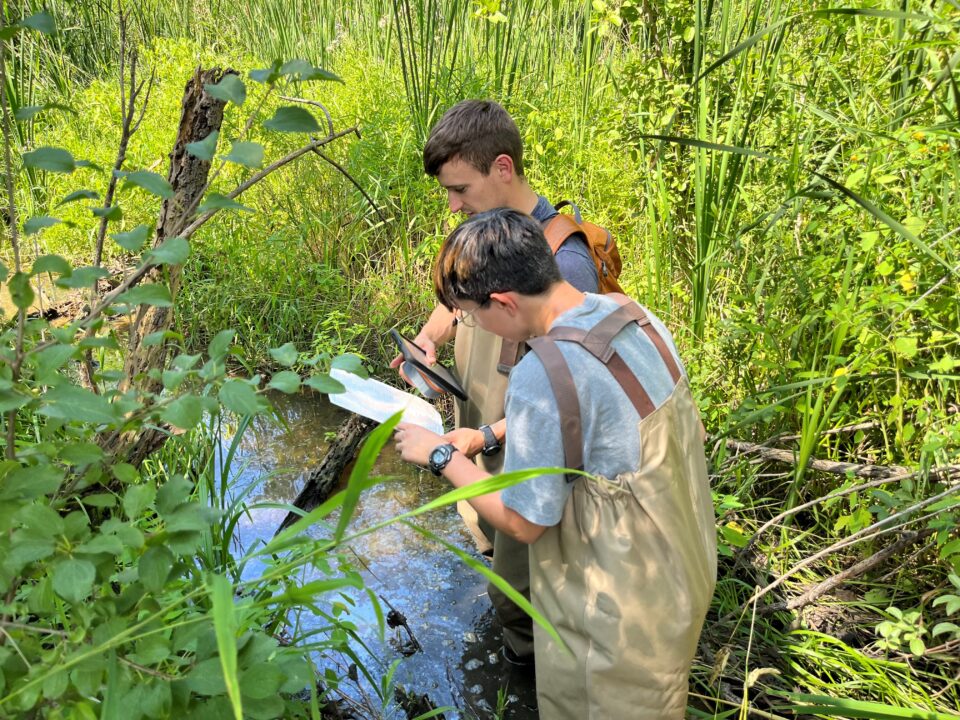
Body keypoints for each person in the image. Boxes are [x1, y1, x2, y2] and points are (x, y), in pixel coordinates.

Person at [393, 208, 716, 719]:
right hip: (684, 567)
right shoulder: (634, 317)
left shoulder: (542, 371)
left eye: (472, 315)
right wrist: (485, 435)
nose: (475, 324)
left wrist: (441, 456)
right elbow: (601, 419)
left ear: (502, 302)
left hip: (616, 609)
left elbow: (524, 522)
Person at [391, 99, 598, 664]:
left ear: (502, 168)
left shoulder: (564, 262)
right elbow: (454, 305)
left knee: (524, 595)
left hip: (523, 456)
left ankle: (528, 674)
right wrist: (430, 340)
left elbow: (578, 394)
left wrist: (476, 442)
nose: (454, 205)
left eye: (461, 189)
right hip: (478, 444)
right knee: (495, 554)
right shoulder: (482, 236)